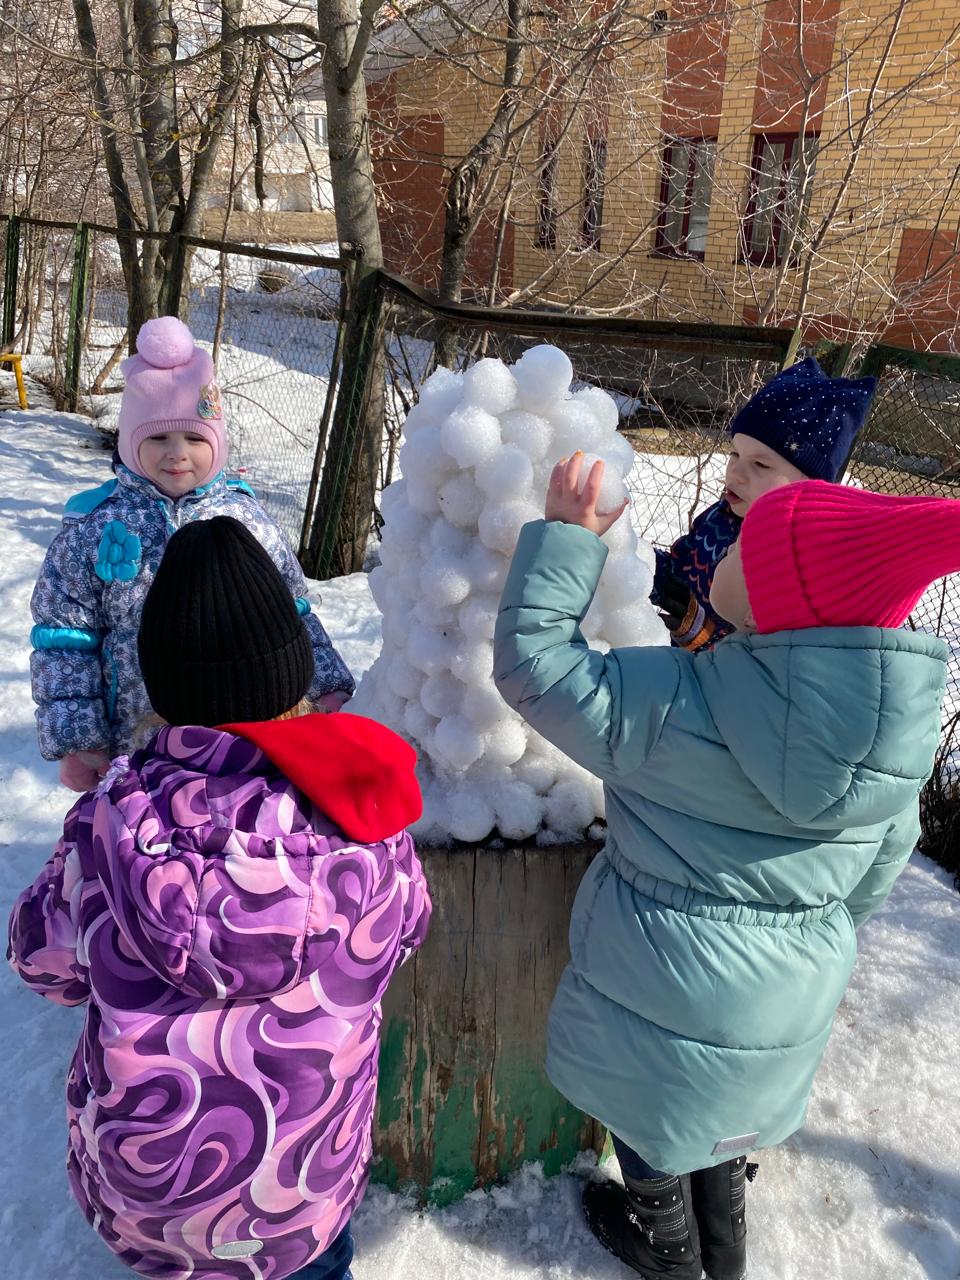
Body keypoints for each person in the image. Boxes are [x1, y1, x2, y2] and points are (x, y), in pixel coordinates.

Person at [494, 456, 958, 1280]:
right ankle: (725, 1241)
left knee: (653, 1116)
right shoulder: (892, 744)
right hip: (793, 991)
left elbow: (539, 669)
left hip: (664, 985)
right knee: (729, 1110)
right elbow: (883, 865)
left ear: (781, 600)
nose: (725, 555)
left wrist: (566, 538)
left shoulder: (672, 699)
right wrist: (814, 932)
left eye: (745, 552)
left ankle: (667, 1248)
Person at [9, 516, 431, 1280]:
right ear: (293, 678)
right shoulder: (368, 826)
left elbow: (42, 963)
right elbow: (406, 933)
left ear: (163, 688)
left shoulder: (109, 828)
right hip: (303, 1187)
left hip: (155, 1197)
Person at [30, 316, 355, 792]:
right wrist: (79, 737)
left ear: (217, 443)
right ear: (130, 441)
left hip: (242, 729)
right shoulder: (95, 528)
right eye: (158, 438)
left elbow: (291, 613)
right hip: (135, 737)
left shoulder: (247, 520)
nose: (177, 453)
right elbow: (64, 638)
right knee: (144, 826)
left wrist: (323, 684)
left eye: (195, 439)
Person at [652, 356, 876, 651]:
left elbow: (773, 657)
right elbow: (678, 573)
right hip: (675, 662)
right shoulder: (720, 517)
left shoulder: (800, 562)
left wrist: (703, 638)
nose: (736, 472)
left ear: (809, 486)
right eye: (734, 454)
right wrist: (625, 553)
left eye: (760, 464)